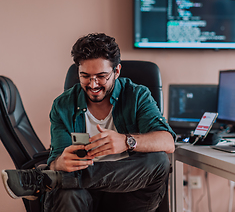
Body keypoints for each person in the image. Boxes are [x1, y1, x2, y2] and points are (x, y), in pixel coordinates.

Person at [1, 33, 176, 212]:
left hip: (128, 194)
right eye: (85, 76)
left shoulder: (137, 95)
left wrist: (126, 141)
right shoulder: (63, 105)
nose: (93, 85)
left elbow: (167, 142)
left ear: (116, 71)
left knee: (159, 161)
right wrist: (60, 163)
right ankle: (61, 179)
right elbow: (55, 160)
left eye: (101, 76)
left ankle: (53, 178)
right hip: (81, 195)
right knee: (65, 192)